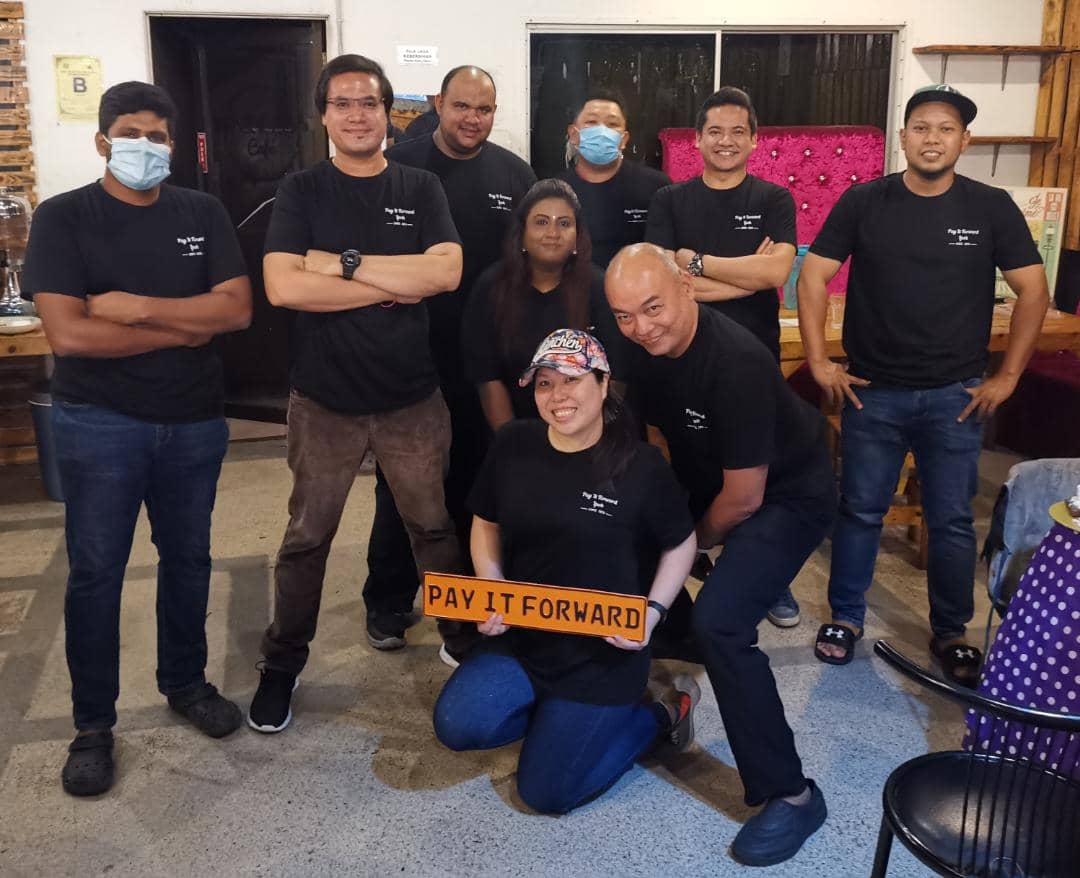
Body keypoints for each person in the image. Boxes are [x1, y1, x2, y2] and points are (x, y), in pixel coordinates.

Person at [24, 81, 252, 796]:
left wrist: (138, 310)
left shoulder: (202, 212)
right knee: (96, 572)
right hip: (99, 424)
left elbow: (236, 311)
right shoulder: (64, 217)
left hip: (193, 421)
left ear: (173, 145)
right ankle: (93, 726)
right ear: (102, 142)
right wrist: (185, 326)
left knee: (189, 559)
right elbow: (69, 335)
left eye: (158, 136)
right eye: (130, 134)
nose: (145, 146)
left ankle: (185, 682)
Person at [799, 84, 1048, 682]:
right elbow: (812, 277)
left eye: (945, 129)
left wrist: (1008, 377)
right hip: (872, 392)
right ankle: (846, 618)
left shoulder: (989, 207)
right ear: (903, 136)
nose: (932, 139)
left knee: (952, 519)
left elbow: (1034, 291)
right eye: (921, 127)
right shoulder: (865, 201)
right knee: (860, 511)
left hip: (955, 397)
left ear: (964, 140)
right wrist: (818, 361)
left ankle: (951, 632)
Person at [249, 54, 465, 733]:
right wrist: (394, 282)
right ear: (324, 116)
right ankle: (282, 664)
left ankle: (463, 641)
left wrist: (339, 266)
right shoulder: (301, 190)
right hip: (324, 402)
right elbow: (284, 286)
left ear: (388, 113)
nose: (356, 115)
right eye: (342, 103)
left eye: (369, 102)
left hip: (411, 399)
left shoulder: (421, 186)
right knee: (307, 539)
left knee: (433, 528)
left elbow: (446, 273)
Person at [606, 244, 835, 867]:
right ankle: (659, 661)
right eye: (624, 315)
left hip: (787, 493)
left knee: (723, 623)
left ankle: (792, 796)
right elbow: (646, 436)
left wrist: (689, 544)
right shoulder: (643, 345)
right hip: (713, 476)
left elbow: (744, 499)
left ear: (686, 287)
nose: (640, 327)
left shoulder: (736, 361)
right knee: (616, 537)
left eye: (652, 307)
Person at [433, 329, 700, 814]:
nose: (558, 396)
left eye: (572, 380)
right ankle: (558, 721)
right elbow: (485, 521)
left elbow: (682, 543)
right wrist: (491, 586)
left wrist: (653, 613)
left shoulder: (640, 464)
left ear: (603, 384)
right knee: (458, 726)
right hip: (526, 637)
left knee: (545, 793)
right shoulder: (514, 443)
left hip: (602, 655)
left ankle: (662, 715)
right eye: (545, 384)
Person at [363, 66, 535, 652]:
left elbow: (525, 266)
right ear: (438, 103)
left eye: (484, 110)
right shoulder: (398, 165)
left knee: (475, 482)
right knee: (402, 485)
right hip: (410, 354)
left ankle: (464, 599)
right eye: (461, 106)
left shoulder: (514, 174)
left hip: (487, 358)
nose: (472, 119)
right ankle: (387, 599)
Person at [645, 86, 801, 629]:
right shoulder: (670, 199)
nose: (726, 141)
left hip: (753, 359)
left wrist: (698, 263)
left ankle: (766, 575)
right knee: (686, 461)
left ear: (754, 140)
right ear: (697, 140)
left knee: (757, 469)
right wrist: (745, 277)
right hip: (681, 356)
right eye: (715, 131)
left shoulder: (774, 200)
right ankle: (683, 554)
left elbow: (777, 272)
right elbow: (662, 278)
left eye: (738, 131)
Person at [461, 178, 625, 432]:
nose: (553, 233)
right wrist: (513, 441)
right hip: (514, 430)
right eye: (541, 222)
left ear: (577, 237)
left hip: (589, 431)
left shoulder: (601, 288)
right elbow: (487, 377)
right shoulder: (491, 287)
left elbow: (618, 374)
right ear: (522, 234)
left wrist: (587, 437)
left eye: (564, 223)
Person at [559, 92, 670, 268]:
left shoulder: (656, 187)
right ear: (573, 134)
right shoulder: (556, 191)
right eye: (591, 122)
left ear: (624, 139)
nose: (602, 132)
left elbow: (667, 258)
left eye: (612, 124)